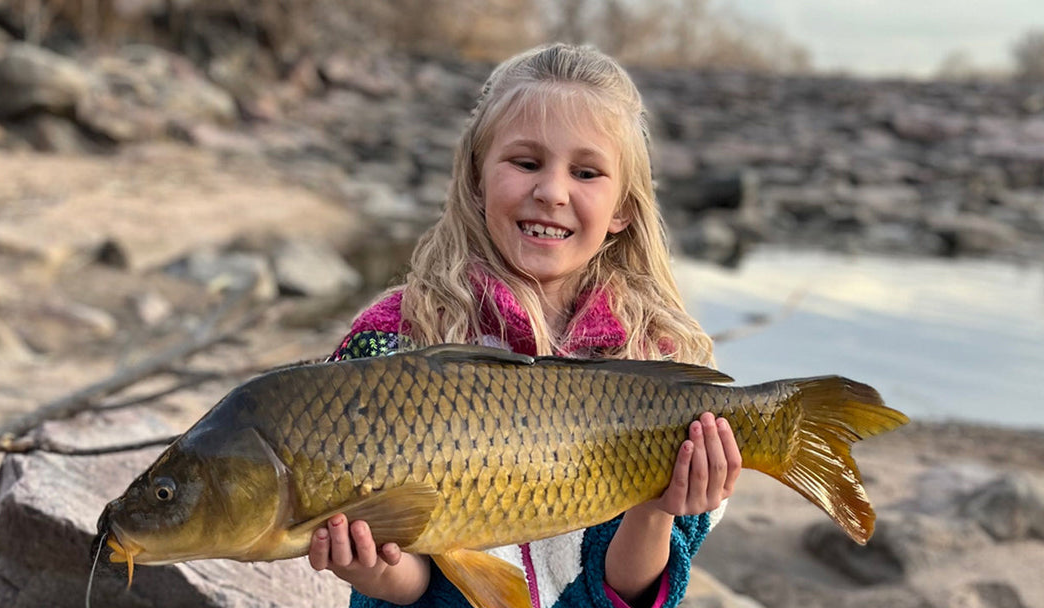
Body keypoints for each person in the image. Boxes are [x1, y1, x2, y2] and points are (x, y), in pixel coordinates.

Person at [306, 43, 741, 608]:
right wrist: (369, 569)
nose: (553, 192)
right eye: (527, 163)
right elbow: (411, 582)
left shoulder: (656, 360)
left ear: (622, 210)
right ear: (477, 177)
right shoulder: (393, 339)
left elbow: (627, 592)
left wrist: (657, 509)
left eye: (586, 172)